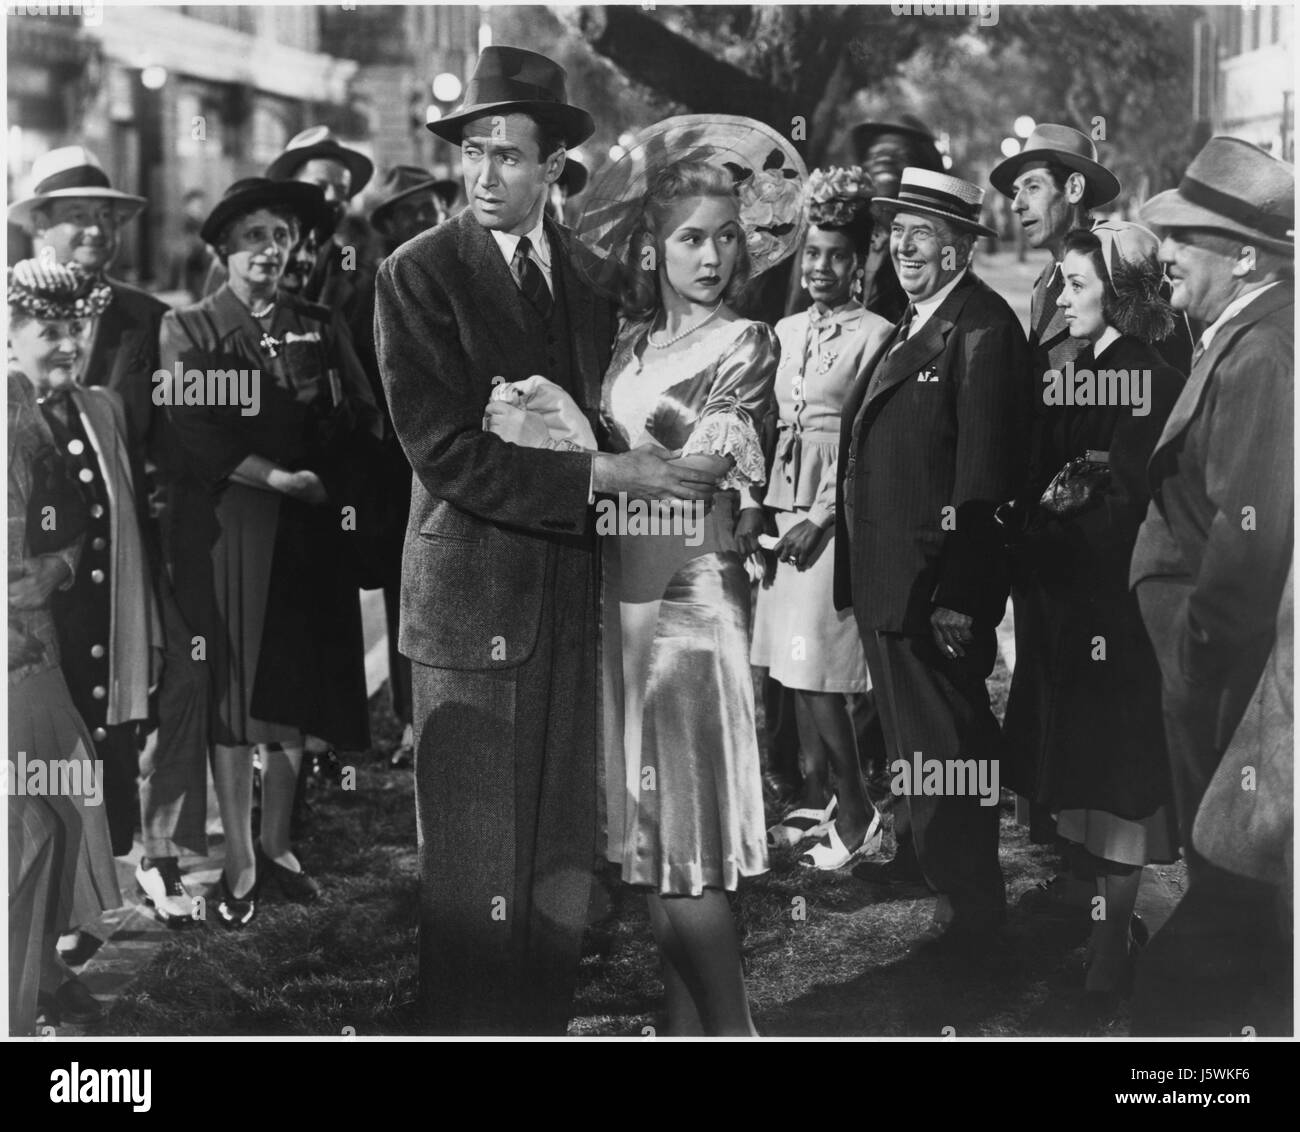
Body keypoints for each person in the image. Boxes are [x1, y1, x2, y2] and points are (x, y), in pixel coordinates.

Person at [375, 46, 715, 1036]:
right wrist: (602, 475)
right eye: (473, 154)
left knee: (561, 868)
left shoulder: (595, 277)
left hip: (571, 605)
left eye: (507, 157)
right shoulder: (416, 276)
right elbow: (447, 455)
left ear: (552, 167)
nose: (483, 176)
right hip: (471, 614)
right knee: (475, 878)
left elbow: (626, 415)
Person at [567, 116, 803, 1033]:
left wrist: (592, 461)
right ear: (655, 248)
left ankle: (734, 1028)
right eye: (692, 239)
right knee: (651, 859)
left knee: (687, 848)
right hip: (621, 598)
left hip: (690, 607)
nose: (711, 257)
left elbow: (701, 469)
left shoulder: (748, 343)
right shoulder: (626, 345)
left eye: (727, 237)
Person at [161, 177, 381, 929]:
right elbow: (193, 430)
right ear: (223, 248)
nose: (268, 250)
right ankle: (239, 861)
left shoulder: (318, 323)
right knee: (238, 694)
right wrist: (279, 476)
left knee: (296, 694)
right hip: (237, 529)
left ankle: (278, 843)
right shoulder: (188, 330)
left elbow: (361, 417)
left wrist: (339, 481)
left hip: (309, 529)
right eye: (251, 236)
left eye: (279, 236)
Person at [9, 145, 211, 934]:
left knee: (155, 697)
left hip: (125, 549)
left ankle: (134, 867)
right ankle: (48, 936)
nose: (94, 230)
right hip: (33, 595)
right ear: (39, 229)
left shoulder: (144, 321)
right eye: (76, 217)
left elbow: (164, 436)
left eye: (105, 217)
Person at [835, 168, 1030, 954]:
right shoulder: (915, 317)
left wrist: (962, 595)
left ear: (958, 249)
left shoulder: (982, 331)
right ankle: (926, 861)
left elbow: (986, 480)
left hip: (932, 589)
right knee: (919, 746)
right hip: (893, 578)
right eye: (898, 233)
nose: (904, 247)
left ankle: (972, 914)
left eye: (923, 234)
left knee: (950, 751)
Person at [1129, 136, 1294, 1035]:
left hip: (1221, 670)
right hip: (1205, 659)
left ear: (1241, 255)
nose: (1166, 256)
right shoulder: (1247, 325)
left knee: (1227, 876)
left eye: (1185, 239)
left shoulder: (1266, 346)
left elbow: (1250, 529)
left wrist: (1197, 649)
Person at [998, 222, 1184, 1002]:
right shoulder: (1086, 365)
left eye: (1077, 284)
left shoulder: (1145, 374)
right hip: (1068, 605)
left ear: (1120, 292)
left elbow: (1122, 505)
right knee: (1081, 777)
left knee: (1114, 790)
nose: (1061, 295)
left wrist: (1044, 522)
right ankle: (1096, 918)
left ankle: (1110, 952)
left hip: (1110, 610)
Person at [742, 165, 892, 866]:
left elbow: (865, 442)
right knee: (786, 666)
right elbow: (764, 425)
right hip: (779, 507)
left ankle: (860, 806)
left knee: (817, 670)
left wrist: (823, 518)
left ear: (861, 261)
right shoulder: (784, 327)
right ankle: (818, 797)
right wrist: (754, 507)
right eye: (814, 253)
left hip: (832, 519)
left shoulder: (878, 335)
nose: (823, 267)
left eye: (838, 255)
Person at [7, 260, 123, 1030]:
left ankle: (42, 970)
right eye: (49, 330)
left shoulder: (64, 407)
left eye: (75, 329)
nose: (66, 344)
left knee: (62, 812)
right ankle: (17, 1008)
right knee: (30, 826)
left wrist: (60, 562)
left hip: (45, 643)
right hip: (14, 655)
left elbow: (78, 523)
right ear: (9, 335)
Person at [352, 165, 454, 767]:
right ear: (388, 226)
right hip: (396, 466)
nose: (424, 220)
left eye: (431, 207)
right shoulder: (372, 286)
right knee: (403, 590)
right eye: (408, 213)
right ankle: (412, 717)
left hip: (459, 455)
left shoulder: (463, 274)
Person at [847, 114, 947, 324]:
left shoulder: (942, 238)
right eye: (877, 154)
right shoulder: (847, 227)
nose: (885, 160)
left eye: (900, 154)